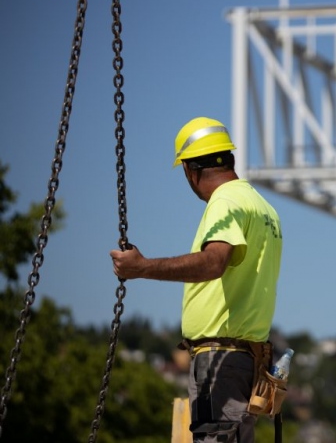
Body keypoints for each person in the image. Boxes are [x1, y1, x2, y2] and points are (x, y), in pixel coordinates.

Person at [110, 116, 283, 442]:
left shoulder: (225, 202)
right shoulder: (263, 208)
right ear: (229, 159)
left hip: (221, 358)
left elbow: (214, 262)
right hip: (248, 359)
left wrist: (142, 267)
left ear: (191, 170)